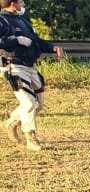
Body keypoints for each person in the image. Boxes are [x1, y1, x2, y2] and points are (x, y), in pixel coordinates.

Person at [0, 0, 62, 151]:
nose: (23, 4)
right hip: (14, 66)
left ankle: (10, 122)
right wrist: (16, 40)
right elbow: (2, 42)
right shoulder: (2, 21)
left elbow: (37, 42)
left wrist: (53, 48)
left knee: (38, 104)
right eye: (21, 2)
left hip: (30, 66)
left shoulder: (23, 21)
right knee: (28, 102)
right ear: (13, 4)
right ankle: (30, 138)